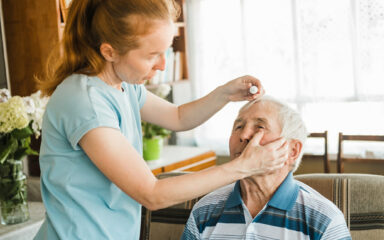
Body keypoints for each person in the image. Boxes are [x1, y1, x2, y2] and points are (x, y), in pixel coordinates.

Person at [33, 0, 289, 239]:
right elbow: (151, 194)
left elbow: (178, 117)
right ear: (110, 51)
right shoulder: (85, 102)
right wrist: (243, 166)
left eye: (165, 51)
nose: (163, 65)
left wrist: (224, 94)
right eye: (151, 55)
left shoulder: (123, 86)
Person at [181, 96, 351, 240]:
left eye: (260, 127)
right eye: (238, 127)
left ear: (292, 150)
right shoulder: (204, 211)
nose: (244, 135)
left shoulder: (324, 219)